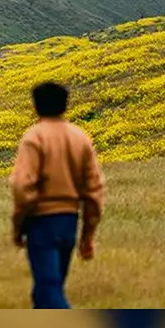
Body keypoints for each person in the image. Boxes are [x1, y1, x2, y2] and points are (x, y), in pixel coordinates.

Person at [8, 81, 106, 309]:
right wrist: (88, 234)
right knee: (46, 290)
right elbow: (94, 190)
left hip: (42, 222)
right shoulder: (79, 137)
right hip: (69, 222)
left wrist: (18, 224)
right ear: (65, 105)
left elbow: (22, 186)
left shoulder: (34, 137)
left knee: (49, 289)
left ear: (35, 106)